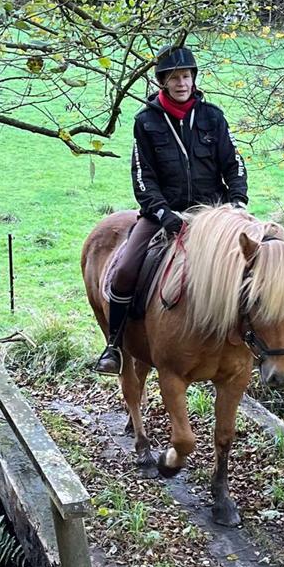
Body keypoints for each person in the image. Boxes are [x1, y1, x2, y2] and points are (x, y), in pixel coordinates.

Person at [95, 43, 249, 373]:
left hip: (215, 215)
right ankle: (114, 345)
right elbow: (142, 176)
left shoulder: (212, 117)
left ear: (194, 79)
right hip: (164, 215)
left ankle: (256, 345)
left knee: (255, 265)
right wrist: (163, 214)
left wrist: (237, 202)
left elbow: (234, 163)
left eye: (186, 76)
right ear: (162, 82)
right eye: (174, 77)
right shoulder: (146, 122)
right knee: (125, 271)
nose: (182, 83)